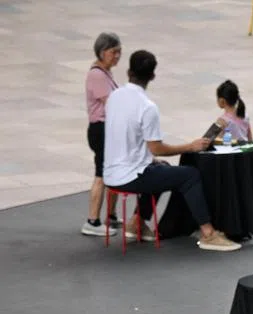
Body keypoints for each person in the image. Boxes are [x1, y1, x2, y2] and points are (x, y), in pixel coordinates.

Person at [103, 50, 241, 252]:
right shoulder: (147, 106)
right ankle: (208, 233)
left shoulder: (114, 97)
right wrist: (190, 146)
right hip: (130, 175)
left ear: (129, 71)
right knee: (190, 175)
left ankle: (137, 222)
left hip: (110, 172)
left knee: (162, 168)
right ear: (152, 76)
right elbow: (156, 147)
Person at [82, 32, 122, 237]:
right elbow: (111, 104)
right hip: (101, 129)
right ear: (102, 51)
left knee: (111, 171)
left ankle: (111, 215)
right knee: (101, 173)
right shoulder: (97, 74)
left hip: (107, 128)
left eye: (119, 52)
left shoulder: (106, 73)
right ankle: (92, 220)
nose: (117, 56)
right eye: (113, 52)